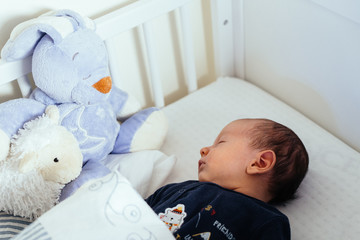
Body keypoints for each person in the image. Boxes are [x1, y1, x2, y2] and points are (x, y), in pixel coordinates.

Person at [145, 118, 309, 240]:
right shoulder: (179, 189)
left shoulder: (267, 222)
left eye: (220, 142)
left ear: (259, 163)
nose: (203, 149)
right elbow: (130, 211)